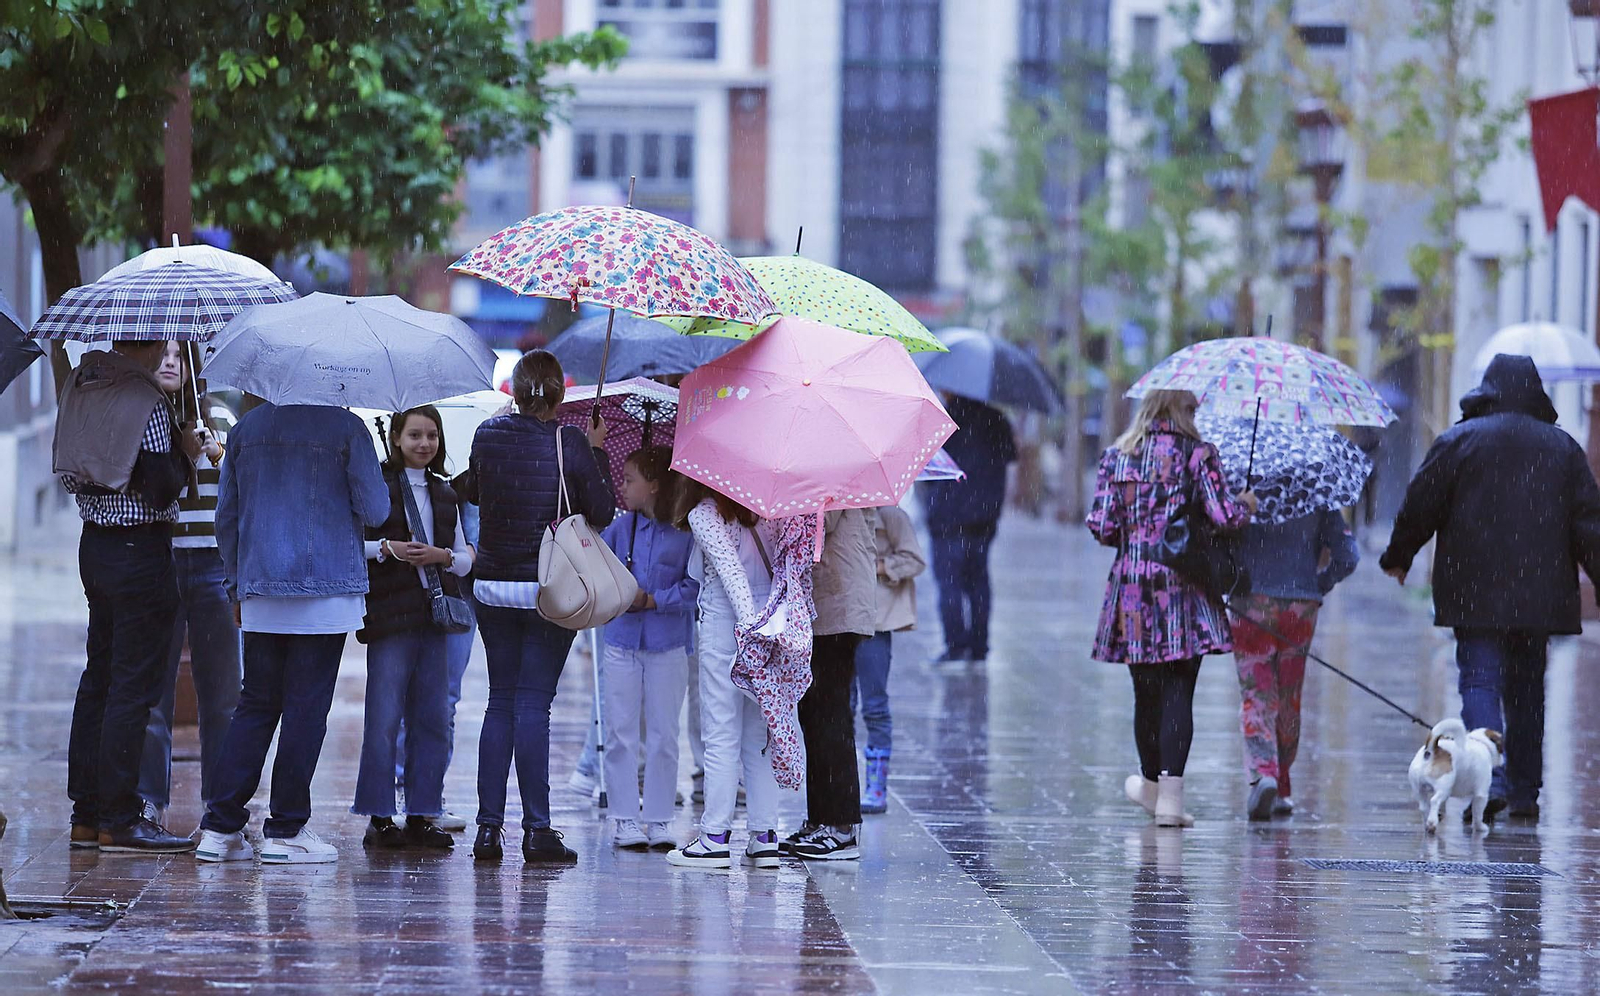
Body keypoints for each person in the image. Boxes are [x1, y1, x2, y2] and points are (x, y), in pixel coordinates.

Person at [1380, 354, 1600, 823]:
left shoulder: (1459, 441)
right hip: (1538, 598)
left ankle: (1491, 777)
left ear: (1487, 390)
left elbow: (1421, 503)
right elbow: (1589, 525)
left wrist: (1399, 555)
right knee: (1527, 692)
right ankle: (1524, 792)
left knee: (1480, 680)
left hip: (1473, 590)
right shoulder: (1562, 449)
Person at [195, 401, 389, 863]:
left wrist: (236, 585)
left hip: (261, 586)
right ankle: (285, 829)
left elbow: (226, 518)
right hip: (327, 591)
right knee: (306, 707)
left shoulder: (246, 429)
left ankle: (219, 828)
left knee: (256, 705)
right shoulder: (347, 428)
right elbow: (376, 510)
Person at [457, 350, 612, 864]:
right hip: (550, 589)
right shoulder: (570, 442)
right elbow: (602, 511)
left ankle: (487, 830)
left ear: (516, 392)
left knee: (499, 701)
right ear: (561, 395)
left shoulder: (488, 435)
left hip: (492, 587)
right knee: (533, 704)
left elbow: (472, 491)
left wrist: (504, 426)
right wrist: (596, 451)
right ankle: (537, 830)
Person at [1085, 389, 1254, 827]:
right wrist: (1245, 505)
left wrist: (1136, 529)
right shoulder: (1198, 455)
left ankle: (1150, 785)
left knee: (1146, 691)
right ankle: (1170, 800)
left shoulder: (1117, 458)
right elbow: (1225, 517)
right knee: (1180, 688)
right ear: (1178, 408)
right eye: (1192, 408)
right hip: (1183, 583)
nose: (1196, 416)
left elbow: (1102, 526)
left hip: (1132, 585)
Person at [56, 337, 196, 853]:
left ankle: (86, 815)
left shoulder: (83, 385)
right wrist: (186, 454)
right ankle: (119, 816)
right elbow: (160, 488)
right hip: (140, 549)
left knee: (98, 677)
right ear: (151, 342)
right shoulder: (146, 401)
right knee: (132, 685)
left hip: (94, 545)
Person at [352, 407, 474, 850]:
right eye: (415, 435)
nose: (424, 444)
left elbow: (465, 558)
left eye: (431, 436)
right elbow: (354, 544)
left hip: (433, 618)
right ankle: (380, 816)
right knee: (383, 717)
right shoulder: (377, 488)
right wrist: (388, 548)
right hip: (390, 616)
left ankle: (423, 812)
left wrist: (442, 557)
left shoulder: (446, 492)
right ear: (397, 439)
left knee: (433, 717)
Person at [136, 342, 242, 827]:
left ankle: (219, 806)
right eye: (161, 354)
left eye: (178, 355)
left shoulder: (218, 413)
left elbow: (240, 479)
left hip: (213, 566)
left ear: (193, 363)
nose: (169, 362)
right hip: (159, 560)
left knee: (222, 694)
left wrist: (215, 451)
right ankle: (147, 800)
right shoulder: (140, 415)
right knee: (151, 691)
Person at [668, 483, 783, 869]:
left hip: (727, 629)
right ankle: (765, 836)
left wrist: (748, 628)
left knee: (720, 734)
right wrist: (763, 629)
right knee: (759, 736)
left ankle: (714, 837)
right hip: (769, 626)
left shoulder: (705, 514)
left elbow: (731, 574)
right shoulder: (769, 510)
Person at [598, 446, 698, 850]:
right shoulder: (619, 529)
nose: (622, 487)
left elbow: (696, 587)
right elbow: (597, 572)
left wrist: (654, 600)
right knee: (619, 732)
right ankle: (623, 818)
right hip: (620, 641)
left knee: (664, 735)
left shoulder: (687, 532)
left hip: (668, 644)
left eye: (630, 480)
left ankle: (658, 819)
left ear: (654, 486)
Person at [1229, 509, 1358, 819]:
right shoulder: (1316, 494)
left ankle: (1264, 773)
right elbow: (1348, 556)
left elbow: (1219, 532)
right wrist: (1318, 583)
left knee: (1257, 694)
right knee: (1290, 697)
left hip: (1250, 601)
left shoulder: (1243, 488)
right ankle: (1282, 784)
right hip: (1300, 605)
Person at [785, 507, 877, 860]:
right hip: (826, 607)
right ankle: (820, 818)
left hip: (839, 609)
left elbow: (815, 527)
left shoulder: (835, 481)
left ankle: (841, 826)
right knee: (814, 714)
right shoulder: (827, 479)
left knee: (831, 715)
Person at [919, 396, 1017, 664]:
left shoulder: (942, 420)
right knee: (978, 581)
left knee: (949, 582)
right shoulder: (996, 419)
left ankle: (956, 645)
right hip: (983, 516)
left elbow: (925, 467)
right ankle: (979, 645)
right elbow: (1007, 459)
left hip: (946, 516)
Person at [853, 503, 925, 815]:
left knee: (875, 705)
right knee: (840, 708)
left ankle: (876, 786)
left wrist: (881, 566)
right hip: (839, 618)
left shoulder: (891, 516)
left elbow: (914, 560)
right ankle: (842, 785)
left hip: (875, 622)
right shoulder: (832, 512)